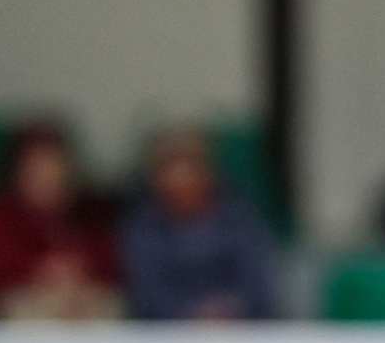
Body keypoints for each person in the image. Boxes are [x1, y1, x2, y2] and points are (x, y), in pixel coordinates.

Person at [119, 127, 279, 321]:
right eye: (170, 166)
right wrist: (193, 316)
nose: (181, 177)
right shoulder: (143, 228)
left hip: (240, 331)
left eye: (190, 165)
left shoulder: (240, 220)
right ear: (154, 178)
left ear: (209, 171)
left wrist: (224, 312)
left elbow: (256, 286)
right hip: (167, 336)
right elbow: (148, 294)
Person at [0, 122, 121, 320]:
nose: (49, 176)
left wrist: (76, 272)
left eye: (56, 167)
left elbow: (112, 265)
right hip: (24, 297)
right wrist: (40, 271)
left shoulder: (90, 213)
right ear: (18, 174)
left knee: (107, 304)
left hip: (81, 295)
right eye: (38, 170)